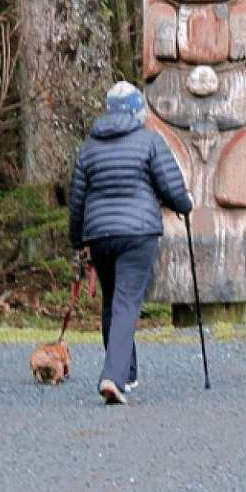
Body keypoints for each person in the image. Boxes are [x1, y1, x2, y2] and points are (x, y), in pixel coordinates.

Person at [69, 81, 193, 405]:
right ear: (138, 110)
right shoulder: (150, 141)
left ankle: (128, 372)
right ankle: (113, 377)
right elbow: (171, 186)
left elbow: (78, 199)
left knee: (112, 302)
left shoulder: (89, 148)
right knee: (126, 304)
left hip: (100, 235)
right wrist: (184, 204)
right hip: (138, 235)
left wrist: (76, 239)